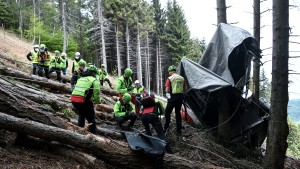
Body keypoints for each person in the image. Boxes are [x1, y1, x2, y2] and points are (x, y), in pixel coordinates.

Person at [70, 65, 100, 134]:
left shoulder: (81, 78)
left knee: (82, 114)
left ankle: (80, 129)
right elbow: (97, 93)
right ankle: (93, 133)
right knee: (91, 117)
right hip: (82, 100)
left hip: (73, 99)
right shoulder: (94, 80)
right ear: (93, 73)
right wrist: (98, 101)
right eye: (95, 73)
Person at [164, 65, 186, 136]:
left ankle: (166, 128)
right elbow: (185, 89)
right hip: (180, 97)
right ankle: (179, 131)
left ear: (170, 71)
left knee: (167, 112)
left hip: (173, 97)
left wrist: (169, 89)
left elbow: (167, 90)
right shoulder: (182, 78)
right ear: (175, 71)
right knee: (178, 113)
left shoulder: (170, 78)